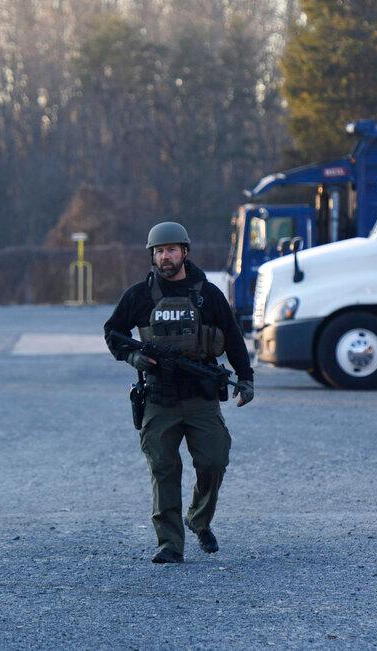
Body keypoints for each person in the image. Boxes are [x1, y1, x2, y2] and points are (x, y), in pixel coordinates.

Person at [104, 222, 254, 564]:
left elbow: (232, 337)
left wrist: (246, 379)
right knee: (163, 469)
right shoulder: (139, 295)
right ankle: (170, 543)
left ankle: (198, 519)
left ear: (184, 252)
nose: (165, 256)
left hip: (201, 395)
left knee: (214, 461)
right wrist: (133, 356)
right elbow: (113, 331)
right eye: (158, 251)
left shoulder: (207, 294)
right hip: (159, 395)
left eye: (171, 250)